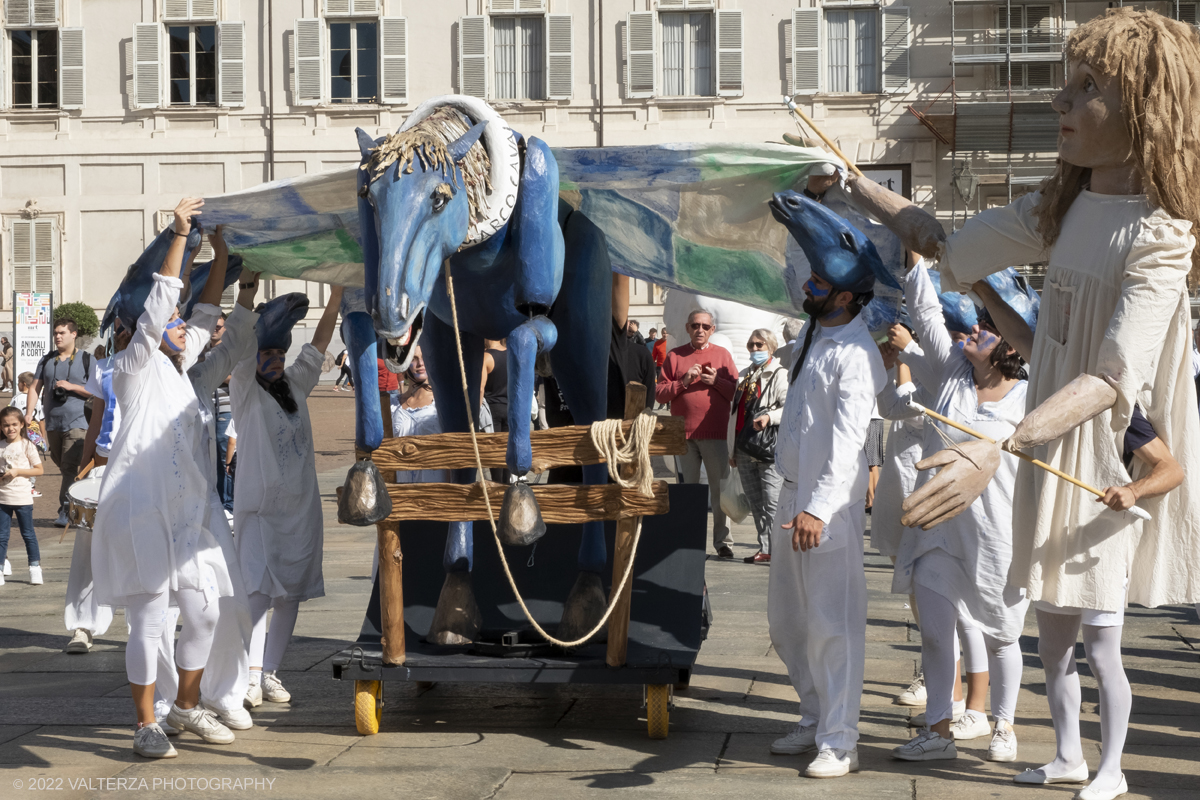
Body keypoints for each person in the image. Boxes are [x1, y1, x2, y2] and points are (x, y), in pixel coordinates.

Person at [854, 13, 1200, 798]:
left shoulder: (1163, 231)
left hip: (1100, 448)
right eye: (1067, 84)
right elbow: (948, 246)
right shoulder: (1064, 205)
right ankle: (1070, 754)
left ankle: (1109, 768)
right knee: (1050, 640)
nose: (1060, 102)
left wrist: (995, 446)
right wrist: (861, 189)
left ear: (1148, 107)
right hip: (1047, 441)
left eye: (1088, 88)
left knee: (1102, 644)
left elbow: (1112, 377)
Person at [92, 197, 238, 758]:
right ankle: (145, 724)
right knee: (148, 623)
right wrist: (179, 238)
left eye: (181, 325)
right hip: (142, 509)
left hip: (188, 514)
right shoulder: (131, 366)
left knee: (204, 610)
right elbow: (160, 312)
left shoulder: (183, 372)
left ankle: (185, 710)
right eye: (169, 323)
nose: (181, 326)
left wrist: (220, 254)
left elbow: (203, 312)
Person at [889, 258, 1029, 765]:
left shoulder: (1030, 397)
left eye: (986, 328)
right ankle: (938, 729)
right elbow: (926, 314)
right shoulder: (949, 370)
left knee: (1001, 632)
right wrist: (917, 259)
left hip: (996, 531)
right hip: (938, 528)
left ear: (1010, 345)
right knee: (933, 628)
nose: (973, 330)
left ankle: (1004, 724)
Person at [767, 262, 887, 779]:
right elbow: (795, 259)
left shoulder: (857, 355)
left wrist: (819, 506)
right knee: (788, 624)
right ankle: (814, 715)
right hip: (792, 498)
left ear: (843, 298)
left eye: (819, 283)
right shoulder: (818, 330)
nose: (806, 287)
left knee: (831, 626)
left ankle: (840, 740)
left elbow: (847, 440)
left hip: (827, 507)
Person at [233, 285, 343, 709]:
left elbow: (317, 345)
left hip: (299, 509)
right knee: (258, 592)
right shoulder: (246, 387)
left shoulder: (296, 384)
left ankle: (271, 672)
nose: (275, 362)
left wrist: (334, 296)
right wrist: (250, 302)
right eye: (268, 355)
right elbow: (243, 350)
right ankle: (250, 675)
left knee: (290, 594)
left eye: (280, 356)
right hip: (259, 510)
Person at [656, 310, 737, 558]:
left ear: (712, 330)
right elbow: (660, 393)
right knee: (688, 492)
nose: (700, 329)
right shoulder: (674, 355)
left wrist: (716, 382)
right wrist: (684, 381)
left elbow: (735, 391)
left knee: (720, 489)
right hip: (684, 435)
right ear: (688, 328)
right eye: (695, 325)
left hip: (715, 434)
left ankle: (723, 543)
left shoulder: (722, 356)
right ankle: (689, 541)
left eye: (705, 326)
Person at [727, 329, 787, 564]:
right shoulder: (744, 375)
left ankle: (778, 550)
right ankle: (765, 547)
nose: (754, 349)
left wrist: (769, 418)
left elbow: (789, 406)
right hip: (744, 448)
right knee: (756, 502)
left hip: (767, 448)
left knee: (773, 502)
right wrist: (731, 449)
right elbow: (734, 415)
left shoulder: (779, 374)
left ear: (771, 347)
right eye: (751, 345)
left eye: (759, 345)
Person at [26, 318, 93, 527]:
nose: (57, 336)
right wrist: (28, 414)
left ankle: (66, 511)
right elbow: (34, 388)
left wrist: (71, 387)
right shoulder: (46, 360)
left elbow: (96, 390)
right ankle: (84, 502)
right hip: (53, 424)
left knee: (69, 467)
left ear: (74, 334)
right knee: (63, 464)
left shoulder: (87, 359)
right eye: (55, 333)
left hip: (79, 422)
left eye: (62, 332)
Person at [0, 406, 43, 587]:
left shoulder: (27, 445)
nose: (11, 429)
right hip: (2, 498)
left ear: (21, 425)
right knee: (2, 536)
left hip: (23, 497)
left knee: (28, 534)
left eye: (14, 425)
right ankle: (1, 568)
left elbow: (39, 470)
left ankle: (34, 568)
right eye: (6, 425)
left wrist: (18, 472)